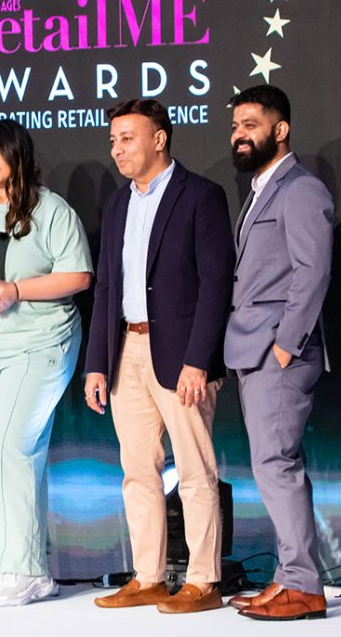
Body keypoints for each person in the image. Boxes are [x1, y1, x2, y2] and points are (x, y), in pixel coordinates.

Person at [85, 99, 235, 613]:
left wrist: (199, 359)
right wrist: (97, 363)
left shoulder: (201, 196)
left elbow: (217, 285)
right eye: (113, 140)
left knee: (194, 469)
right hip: (126, 348)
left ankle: (203, 580)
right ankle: (148, 577)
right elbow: (107, 286)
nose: (117, 149)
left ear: (159, 139)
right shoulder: (117, 204)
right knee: (137, 470)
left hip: (182, 354)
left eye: (127, 138)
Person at [0, 119, 92, 607]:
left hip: (40, 342)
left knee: (14, 446)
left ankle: (30, 570)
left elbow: (78, 276)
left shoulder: (51, 209)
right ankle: (6, 563)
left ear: (18, 154)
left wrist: (15, 290)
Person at [224, 85, 333, 620]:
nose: (238, 135)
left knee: (276, 463)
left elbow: (313, 272)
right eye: (235, 126)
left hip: (277, 352)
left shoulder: (302, 189)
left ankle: (304, 586)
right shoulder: (260, 190)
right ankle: (291, 575)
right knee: (271, 465)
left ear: (280, 129)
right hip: (252, 349)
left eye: (250, 124)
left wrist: (286, 345)